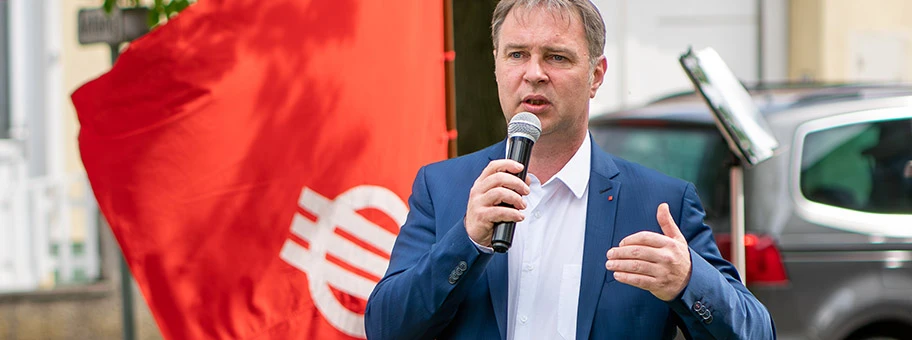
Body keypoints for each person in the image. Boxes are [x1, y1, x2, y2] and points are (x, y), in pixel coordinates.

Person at [364, 0, 776, 339]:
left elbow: (756, 333)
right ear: (496, 65)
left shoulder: (659, 203)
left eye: (556, 57)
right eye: (517, 54)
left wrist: (688, 280)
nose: (534, 73)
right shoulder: (444, 186)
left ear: (596, 75)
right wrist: (467, 240)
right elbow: (385, 328)